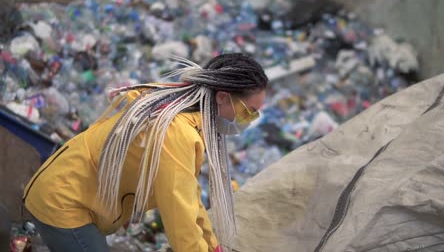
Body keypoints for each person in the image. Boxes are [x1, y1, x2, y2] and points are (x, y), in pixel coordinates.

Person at [22, 53, 268, 252]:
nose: (250, 121)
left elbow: (188, 195)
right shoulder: (177, 131)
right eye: (250, 112)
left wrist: (212, 245)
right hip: (63, 201)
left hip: (76, 194)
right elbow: (179, 215)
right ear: (222, 97)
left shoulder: (185, 119)